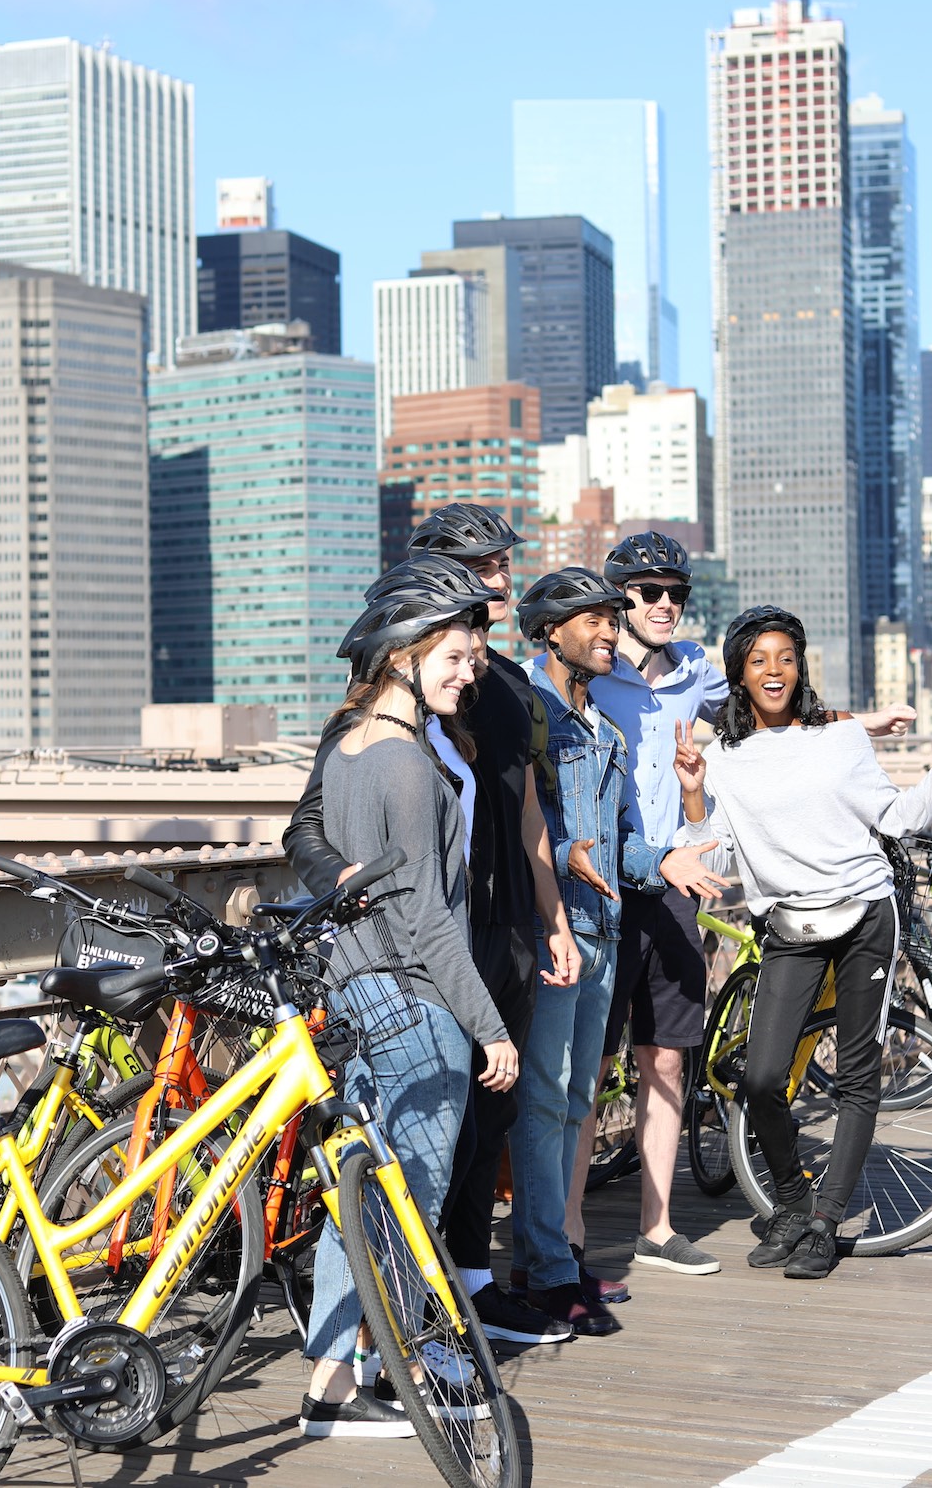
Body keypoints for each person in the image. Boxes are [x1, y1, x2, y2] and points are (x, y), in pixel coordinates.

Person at [286, 507, 580, 1348]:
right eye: (477, 569)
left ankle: (456, 1295)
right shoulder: (374, 731)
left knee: (472, 1130)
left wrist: (549, 916)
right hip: (421, 951)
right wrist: (341, 877)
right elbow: (305, 826)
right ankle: (416, 1327)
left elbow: (522, 810)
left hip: (490, 928)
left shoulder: (474, 705)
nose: (496, 583)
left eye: (498, 570)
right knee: (410, 1162)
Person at [587, 532, 913, 1278]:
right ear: (617, 601)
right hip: (601, 883)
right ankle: (565, 1244)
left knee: (669, 1061)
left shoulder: (698, 671)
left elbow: (776, 709)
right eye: (646, 593)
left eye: (675, 592)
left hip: (680, 881)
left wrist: (859, 724)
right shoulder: (592, 671)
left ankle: (664, 1226)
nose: (663, 604)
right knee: (591, 1074)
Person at [670, 605, 932, 1281]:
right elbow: (711, 857)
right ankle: (790, 1200)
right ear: (738, 674)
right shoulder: (722, 756)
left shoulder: (839, 736)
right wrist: (694, 795)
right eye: (758, 660)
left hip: (864, 914)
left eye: (785, 657)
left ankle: (822, 1221)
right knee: (759, 1076)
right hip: (787, 926)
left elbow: (894, 817)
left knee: (855, 1076)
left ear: (800, 666)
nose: (773, 671)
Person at [299, 562, 521, 1438]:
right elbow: (428, 921)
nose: (469, 673)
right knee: (406, 1206)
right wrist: (490, 1029)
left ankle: (332, 1380)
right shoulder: (404, 765)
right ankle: (362, 1378)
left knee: (354, 1204)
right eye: (455, 656)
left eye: (473, 658)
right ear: (406, 654)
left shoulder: (347, 746)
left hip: (356, 997)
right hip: (419, 1011)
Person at [510, 566, 722, 1335]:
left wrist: (663, 861)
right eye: (594, 620)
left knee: (571, 1100)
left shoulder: (599, 723)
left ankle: (553, 1259)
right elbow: (514, 821)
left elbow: (619, 838)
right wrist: (565, 854)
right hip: (551, 931)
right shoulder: (526, 706)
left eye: (611, 618)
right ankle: (545, 1267)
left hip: (596, 924)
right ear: (550, 631)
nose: (610, 632)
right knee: (543, 1099)